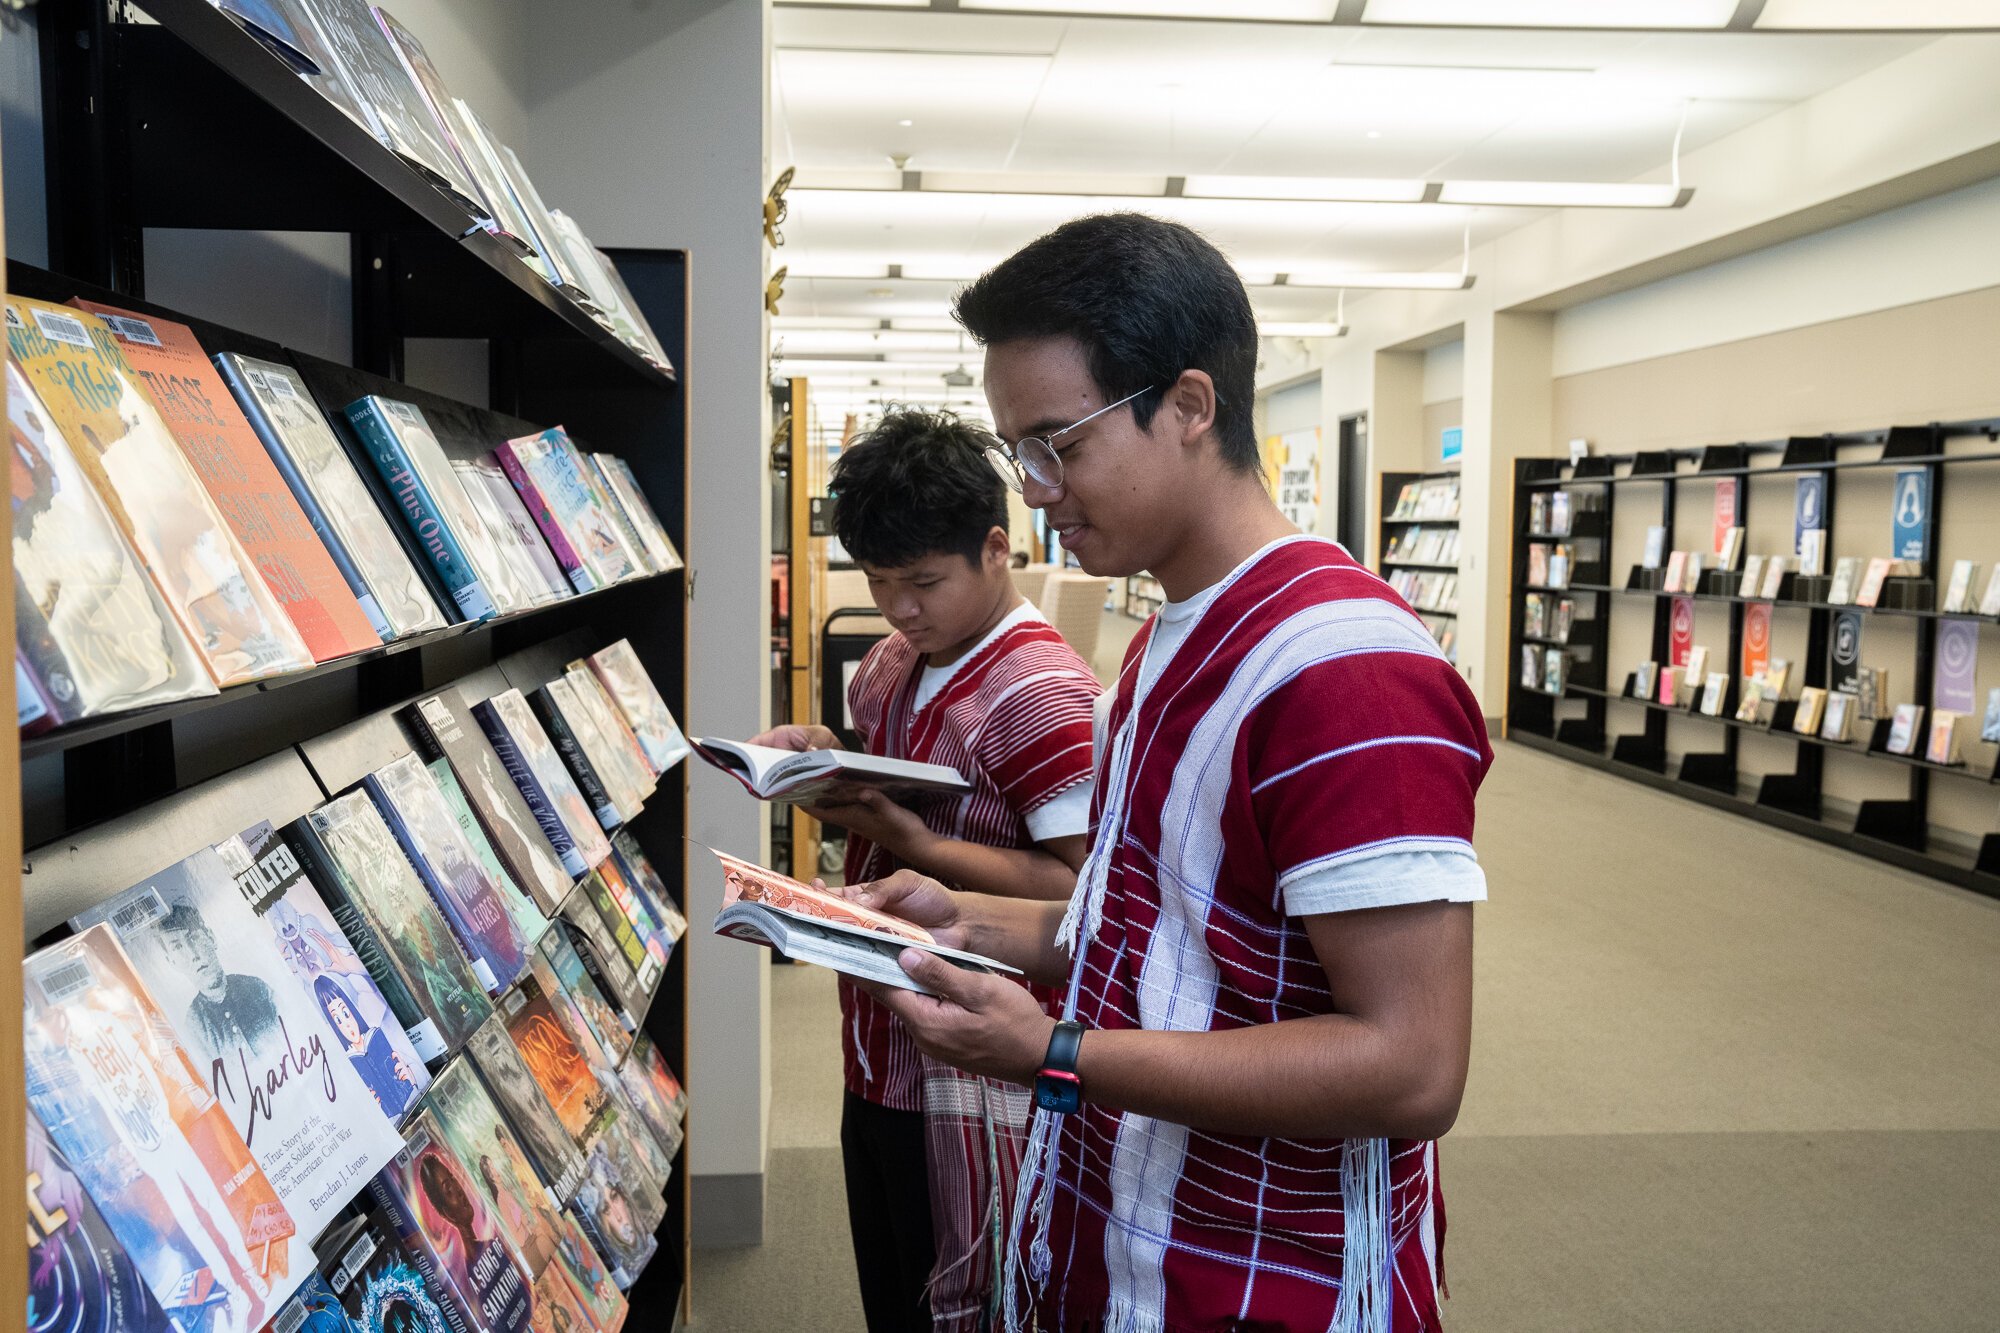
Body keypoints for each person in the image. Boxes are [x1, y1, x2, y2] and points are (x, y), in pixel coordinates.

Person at [844, 213, 1492, 1333]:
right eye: (1020, 453)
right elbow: (1150, 935)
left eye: (1061, 443)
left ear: (1189, 406)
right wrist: (969, 923)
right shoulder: (1164, 637)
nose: (1035, 487)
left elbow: (1410, 1066)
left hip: (1264, 1278)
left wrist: (1051, 1049)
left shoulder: (1347, 672)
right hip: (1130, 1237)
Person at [751, 408, 1102, 1332]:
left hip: (974, 1069)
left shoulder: (1043, 693)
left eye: (922, 581)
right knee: (895, 1280)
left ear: (997, 548)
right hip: (877, 1040)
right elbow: (896, 769)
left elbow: (1081, 891)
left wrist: (904, 837)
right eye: (876, 580)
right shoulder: (896, 662)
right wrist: (825, 755)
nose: (898, 606)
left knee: (965, 1293)